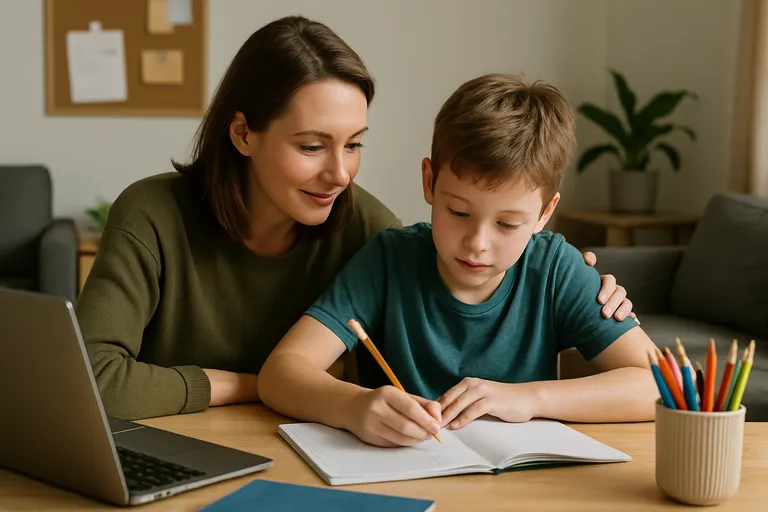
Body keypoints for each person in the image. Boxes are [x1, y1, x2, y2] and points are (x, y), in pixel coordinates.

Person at [76, 16, 635, 421]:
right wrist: (268, 389)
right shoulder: (152, 215)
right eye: (313, 146)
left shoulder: (368, 226)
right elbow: (92, 382)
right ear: (244, 133)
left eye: (354, 144)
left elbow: (474, 264)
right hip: (165, 437)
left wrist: (575, 274)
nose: (341, 174)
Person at [258, 74, 658, 448]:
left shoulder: (555, 269)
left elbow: (658, 385)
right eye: (459, 213)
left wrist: (530, 398)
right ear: (429, 182)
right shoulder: (388, 260)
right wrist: (352, 406)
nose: (477, 243)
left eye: (507, 224)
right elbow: (281, 373)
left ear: (544, 213)